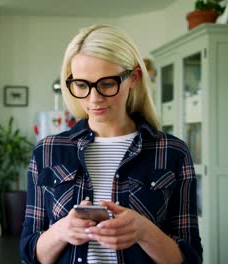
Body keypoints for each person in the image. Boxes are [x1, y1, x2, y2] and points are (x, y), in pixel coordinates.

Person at [19, 24, 202, 264]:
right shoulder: (47, 151)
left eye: (107, 83)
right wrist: (62, 231)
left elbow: (189, 258)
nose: (94, 98)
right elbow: (29, 254)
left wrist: (144, 232)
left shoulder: (172, 151)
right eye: (82, 86)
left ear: (133, 77)